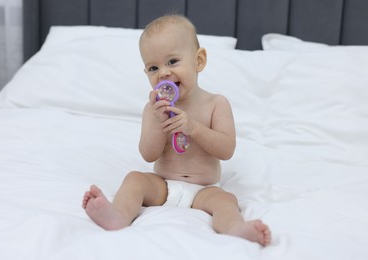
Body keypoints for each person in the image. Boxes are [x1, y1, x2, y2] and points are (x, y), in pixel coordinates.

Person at [82, 14, 271, 246]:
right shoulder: (152, 109)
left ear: (199, 61)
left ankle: (236, 228)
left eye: (172, 62)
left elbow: (226, 149)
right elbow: (148, 155)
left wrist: (194, 128)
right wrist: (157, 122)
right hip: (163, 186)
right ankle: (117, 215)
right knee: (134, 179)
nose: (163, 73)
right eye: (153, 67)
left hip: (204, 189)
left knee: (226, 201)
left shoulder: (216, 104)